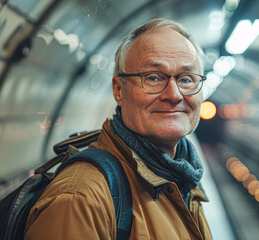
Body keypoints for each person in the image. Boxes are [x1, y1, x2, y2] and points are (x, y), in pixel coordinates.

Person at [24, 18, 212, 239]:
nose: (173, 95)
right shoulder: (80, 198)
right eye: (153, 78)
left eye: (186, 79)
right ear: (119, 90)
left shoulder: (183, 179)